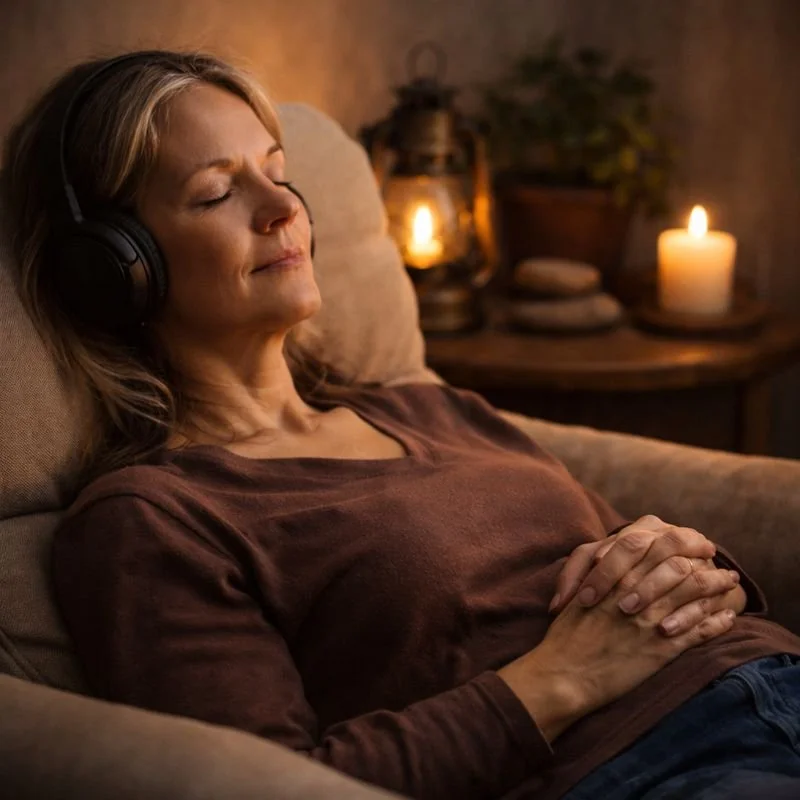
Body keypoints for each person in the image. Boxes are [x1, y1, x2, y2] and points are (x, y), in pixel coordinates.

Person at [1, 50, 798, 800]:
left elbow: (636, 573)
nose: (284, 208)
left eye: (277, 174)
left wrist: (685, 559)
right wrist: (564, 679)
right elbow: (281, 783)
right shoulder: (154, 520)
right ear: (116, 267)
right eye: (216, 193)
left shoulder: (428, 408)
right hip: (667, 767)